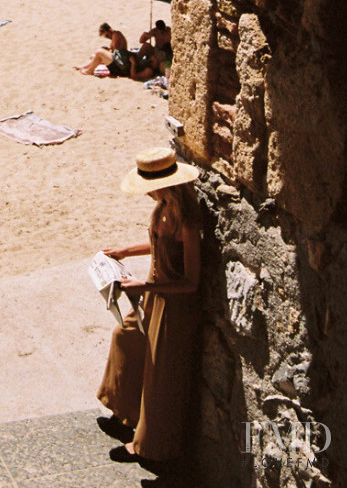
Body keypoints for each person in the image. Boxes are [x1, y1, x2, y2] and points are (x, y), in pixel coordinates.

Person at [96, 147, 201, 465]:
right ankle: (126, 411)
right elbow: (157, 243)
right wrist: (126, 251)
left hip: (173, 303)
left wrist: (146, 286)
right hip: (154, 295)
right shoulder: (163, 209)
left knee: (160, 373)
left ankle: (148, 446)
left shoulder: (186, 222)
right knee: (125, 337)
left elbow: (191, 283)